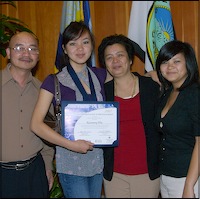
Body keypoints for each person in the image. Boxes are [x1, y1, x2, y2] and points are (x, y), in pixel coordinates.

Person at [30, 21, 111, 198]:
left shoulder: (100, 75)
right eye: (73, 43)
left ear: (92, 45)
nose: (80, 48)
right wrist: (72, 145)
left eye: (85, 42)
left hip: (97, 160)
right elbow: (36, 124)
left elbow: (126, 76)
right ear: (65, 49)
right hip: (70, 162)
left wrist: (151, 74)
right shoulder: (54, 81)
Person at [98, 34, 161, 198]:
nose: (115, 61)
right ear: (105, 64)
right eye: (109, 57)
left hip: (147, 172)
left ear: (131, 59)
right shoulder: (102, 93)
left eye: (120, 55)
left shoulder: (151, 87)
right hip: (115, 173)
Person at [0, 31, 55, 198]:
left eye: (32, 49)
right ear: (8, 53)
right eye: (19, 48)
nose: (26, 53)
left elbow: (47, 132)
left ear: (38, 55)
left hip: (35, 173)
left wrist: (47, 165)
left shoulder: (43, 91)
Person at [154, 40, 200, 198]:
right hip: (166, 176)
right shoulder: (167, 93)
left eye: (177, 61)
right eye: (165, 62)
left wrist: (189, 185)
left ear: (188, 64)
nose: (170, 66)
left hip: (187, 178)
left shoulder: (195, 94)